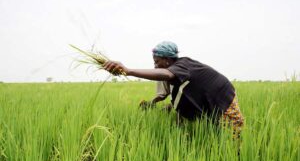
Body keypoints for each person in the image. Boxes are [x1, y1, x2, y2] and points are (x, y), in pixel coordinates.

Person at [103, 41, 244, 139]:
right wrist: (154, 103)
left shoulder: (182, 65)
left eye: (157, 61)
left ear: (167, 59)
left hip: (223, 97)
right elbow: (171, 96)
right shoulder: (172, 74)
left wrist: (128, 71)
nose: (155, 66)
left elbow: (166, 75)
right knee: (205, 124)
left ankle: (238, 160)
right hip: (206, 100)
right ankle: (182, 134)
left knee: (232, 136)